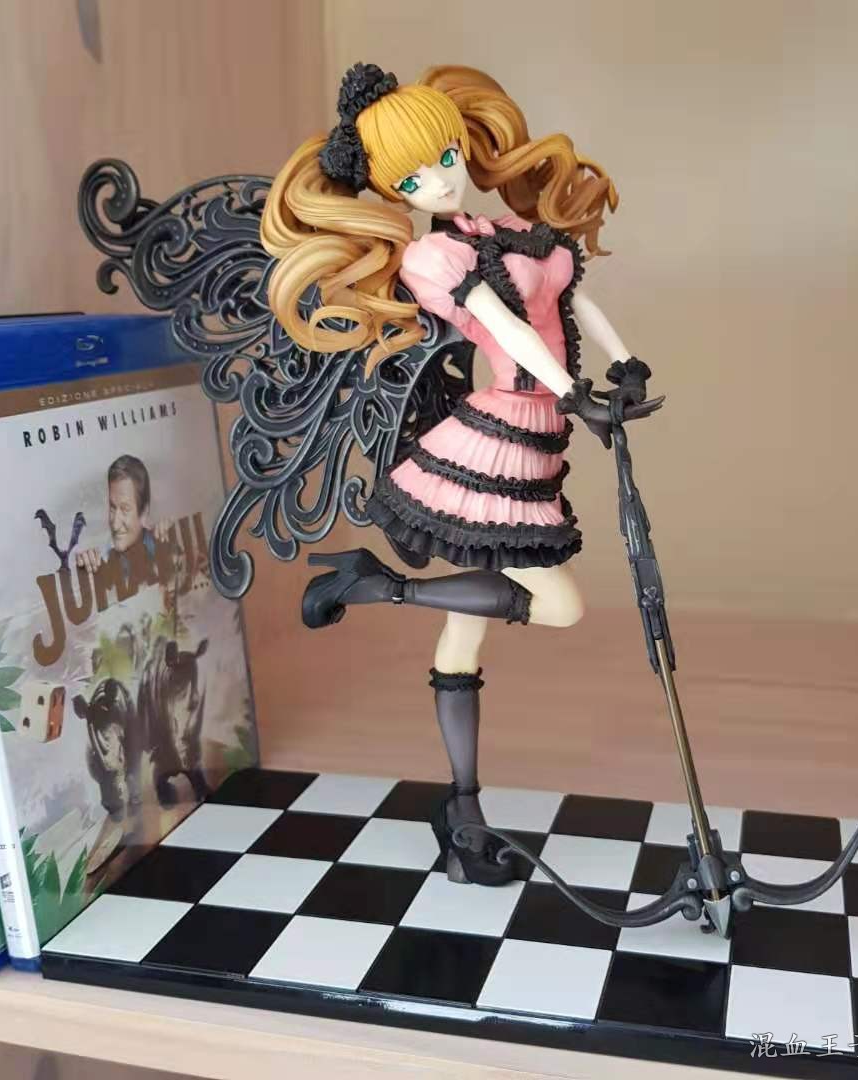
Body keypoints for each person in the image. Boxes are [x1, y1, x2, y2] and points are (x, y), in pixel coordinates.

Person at [263, 63, 661, 885]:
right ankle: (378, 586)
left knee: (465, 632)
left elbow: (570, 299)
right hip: (500, 435)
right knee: (559, 605)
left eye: (444, 158)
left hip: (539, 431)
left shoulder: (514, 229)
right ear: (388, 189)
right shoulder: (431, 255)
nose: (440, 182)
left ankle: (465, 811)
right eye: (413, 179)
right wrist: (572, 392)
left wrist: (625, 364)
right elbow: (505, 328)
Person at [76, 455, 173, 574]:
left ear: (144, 513)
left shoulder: (164, 544)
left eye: (125, 509)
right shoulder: (102, 555)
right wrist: (84, 565)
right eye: (112, 508)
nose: (115, 525)